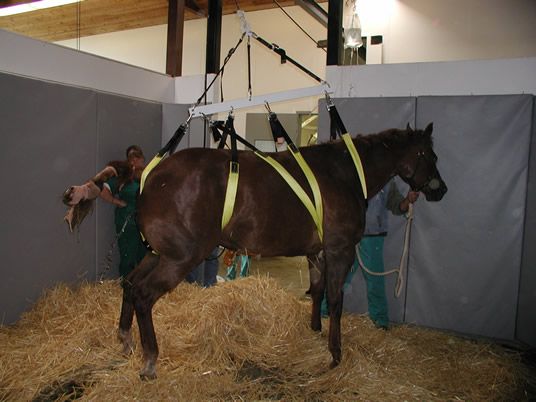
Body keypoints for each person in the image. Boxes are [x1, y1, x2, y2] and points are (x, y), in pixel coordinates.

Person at [321, 180, 419, 330]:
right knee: (339, 277)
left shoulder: (386, 180)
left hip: (373, 236)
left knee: (375, 281)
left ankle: (380, 321)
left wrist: (408, 200)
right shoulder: (350, 173)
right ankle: (323, 313)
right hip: (348, 236)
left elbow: (397, 205)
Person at [100, 145, 147, 278]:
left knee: (144, 256)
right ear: (129, 160)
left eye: (138, 158)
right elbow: (103, 190)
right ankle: (127, 285)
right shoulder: (123, 176)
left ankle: (141, 285)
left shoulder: (145, 176)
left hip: (144, 223)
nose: (136, 162)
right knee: (128, 255)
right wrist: (117, 202)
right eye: (132, 159)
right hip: (127, 222)